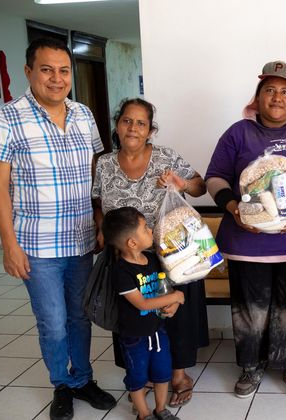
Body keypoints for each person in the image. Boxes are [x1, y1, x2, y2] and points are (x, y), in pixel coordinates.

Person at [0, 38, 116, 420]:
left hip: (80, 241)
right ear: (29, 72)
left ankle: (84, 379)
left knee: (80, 316)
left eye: (63, 71)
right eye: (46, 70)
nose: (56, 79)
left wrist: (98, 216)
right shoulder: (6, 117)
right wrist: (9, 245)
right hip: (36, 244)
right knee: (53, 321)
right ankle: (61, 383)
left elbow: (94, 169)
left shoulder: (83, 114)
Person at [205, 60, 286, 399]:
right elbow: (215, 176)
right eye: (269, 90)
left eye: (284, 91)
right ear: (258, 97)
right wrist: (233, 207)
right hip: (247, 242)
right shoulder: (238, 132)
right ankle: (251, 367)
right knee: (250, 307)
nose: (277, 97)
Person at [92, 98, 208, 408]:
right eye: (127, 121)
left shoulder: (166, 157)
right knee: (134, 314)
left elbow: (201, 186)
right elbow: (97, 204)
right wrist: (102, 231)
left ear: (150, 130)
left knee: (175, 314)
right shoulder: (104, 163)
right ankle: (140, 373)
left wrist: (180, 182)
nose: (133, 127)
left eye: (140, 123)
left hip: (172, 253)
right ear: (117, 125)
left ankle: (179, 374)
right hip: (126, 258)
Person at [102, 207, 186, 420]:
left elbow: (163, 286)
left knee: (162, 373)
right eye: (145, 228)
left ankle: (161, 409)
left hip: (158, 332)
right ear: (132, 242)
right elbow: (142, 303)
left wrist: (173, 298)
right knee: (137, 376)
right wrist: (176, 297)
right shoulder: (121, 271)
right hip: (134, 337)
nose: (151, 230)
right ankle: (144, 414)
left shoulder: (152, 260)